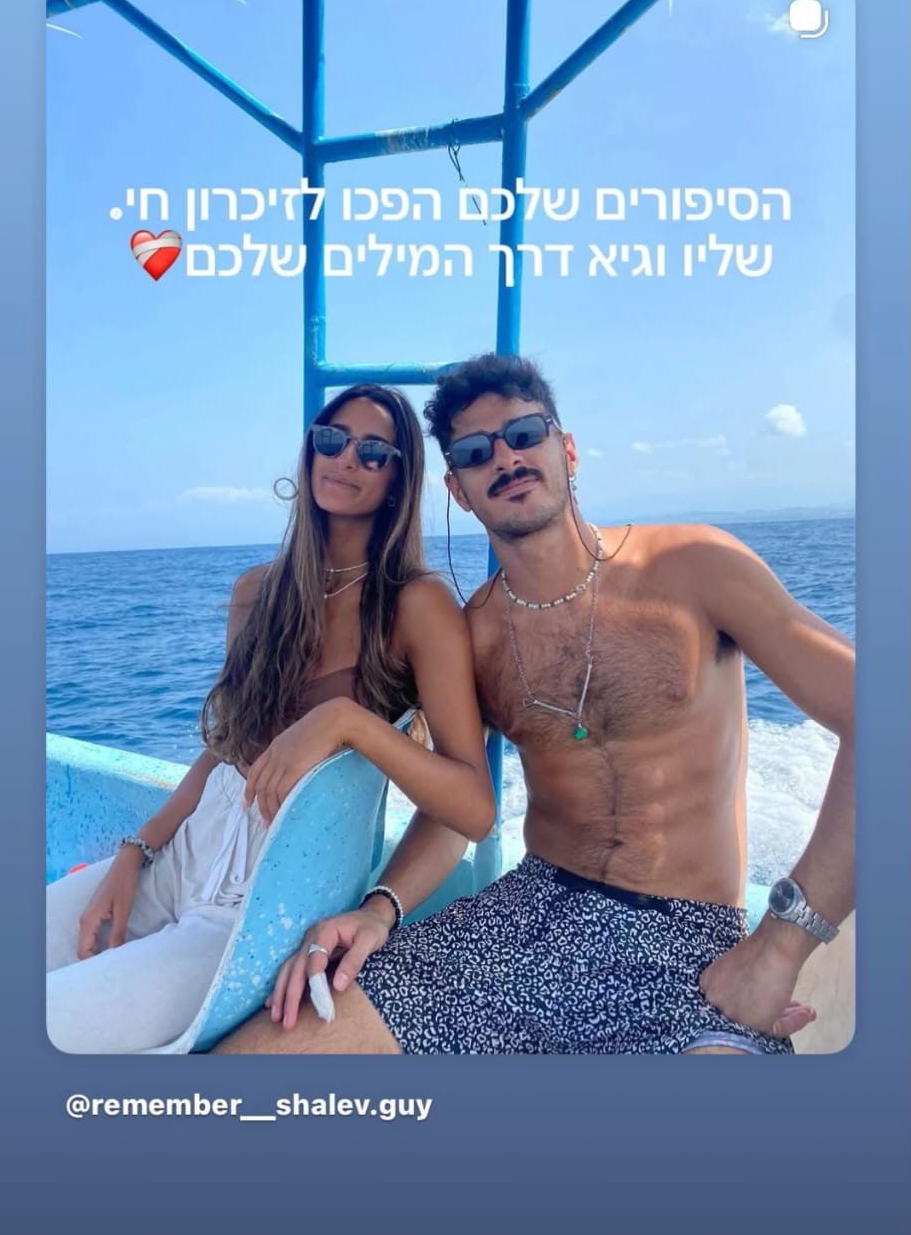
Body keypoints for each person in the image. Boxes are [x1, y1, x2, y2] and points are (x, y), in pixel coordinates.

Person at [215, 353, 855, 1059]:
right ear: (458, 491)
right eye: (474, 452)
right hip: (521, 921)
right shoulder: (476, 633)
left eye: (524, 434)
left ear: (566, 449)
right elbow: (455, 804)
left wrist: (781, 944)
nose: (505, 458)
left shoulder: (692, 567)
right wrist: (380, 908)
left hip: (687, 947)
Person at [46, 385, 495, 1051]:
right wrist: (134, 855)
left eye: (373, 451)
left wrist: (348, 721)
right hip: (182, 856)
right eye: (332, 440)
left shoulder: (417, 605)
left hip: (266, 901)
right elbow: (227, 751)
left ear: (399, 480)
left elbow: (473, 810)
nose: (346, 458)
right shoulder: (256, 592)